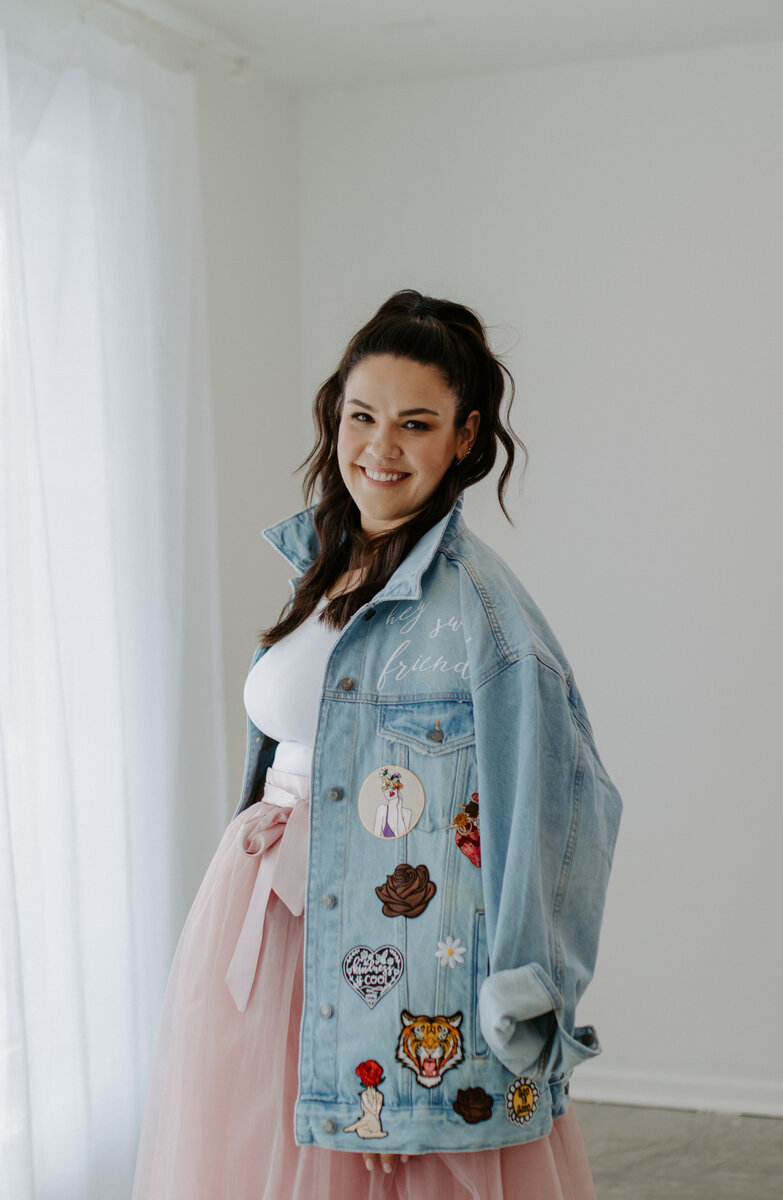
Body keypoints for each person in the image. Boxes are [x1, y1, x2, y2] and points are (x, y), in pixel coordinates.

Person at [132, 289, 622, 1199]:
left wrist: (501, 1012)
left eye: (415, 423)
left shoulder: (485, 617)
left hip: (384, 961)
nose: (380, 448)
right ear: (336, 416)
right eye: (363, 415)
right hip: (266, 933)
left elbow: (553, 816)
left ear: (465, 438)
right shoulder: (324, 559)